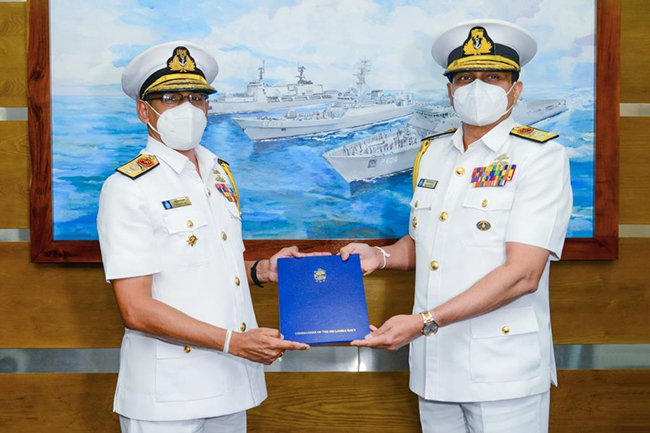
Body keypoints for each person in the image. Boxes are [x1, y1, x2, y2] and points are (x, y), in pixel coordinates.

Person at [340, 19, 572, 432]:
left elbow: (524, 275)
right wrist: (380, 255)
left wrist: (425, 321)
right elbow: (428, 241)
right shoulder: (433, 155)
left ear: (515, 90)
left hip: (502, 370)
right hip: (434, 364)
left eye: (492, 77)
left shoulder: (541, 157)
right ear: (450, 91)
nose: (476, 87)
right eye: (464, 77)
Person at [97, 41, 313, 433]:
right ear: (144, 110)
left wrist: (260, 271)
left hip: (230, 382)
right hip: (169, 394)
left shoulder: (218, 173)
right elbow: (136, 309)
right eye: (171, 98)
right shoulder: (128, 187)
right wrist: (234, 342)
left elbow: (205, 266)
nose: (187, 109)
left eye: (197, 98)